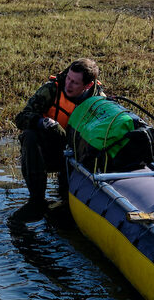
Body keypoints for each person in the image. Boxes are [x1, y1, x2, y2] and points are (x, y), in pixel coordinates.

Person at [14, 58, 101, 211]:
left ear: (88, 86)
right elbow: (21, 118)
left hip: (78, 155)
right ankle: (36, 200)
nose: (68, 84)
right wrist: (42, 122)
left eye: (75, 82)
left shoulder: (99, 102)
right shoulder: (51, 90)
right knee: (29, 136)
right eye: (68, 78)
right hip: (49, 150)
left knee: (66, 203)